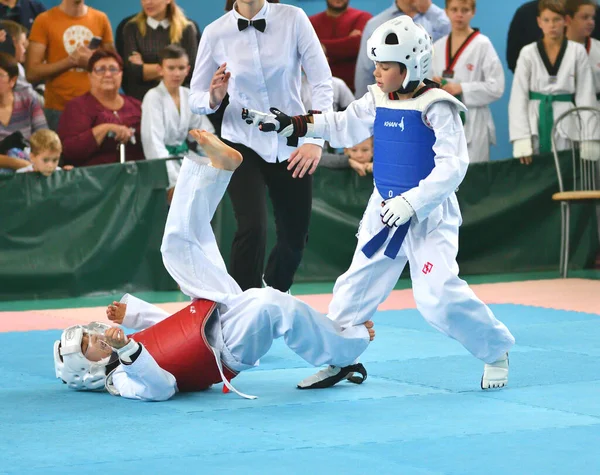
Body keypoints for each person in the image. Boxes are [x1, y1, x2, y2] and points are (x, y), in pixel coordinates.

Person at [244, 16, 515, 390]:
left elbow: (454, 166)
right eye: (377, 64)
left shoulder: (437, 106)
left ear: (410, 67)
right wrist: (295, 124)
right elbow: (342, 125)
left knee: (438, 298)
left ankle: (495, 350)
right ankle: (339, 360)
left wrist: (413, 201)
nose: (376, 71)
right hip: (384, 211)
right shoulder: (376, 98)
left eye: (385, 66)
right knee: (352, 291)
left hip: (428, 216)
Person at [52, 130, 375, 401]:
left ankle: (217, 170)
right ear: (88, 371)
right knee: (272, 303)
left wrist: (134, 315)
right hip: (226, 350)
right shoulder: (120, 379)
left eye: (85, 334)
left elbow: (173, 329)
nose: (93, 338)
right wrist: (128, 351)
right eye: (86, 346)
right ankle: (347, 345)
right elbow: (162, 388)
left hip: (210, 314)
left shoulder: (132, 346)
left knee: (176, 250)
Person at [189, 0, 333, 293]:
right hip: (240, 143)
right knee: (252, 228)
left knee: (295, 236)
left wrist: (316, 139)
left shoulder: (294, 18)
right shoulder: (215, 32)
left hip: (291, 139)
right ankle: (242, 306)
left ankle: (274, 293)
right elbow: (195, 95)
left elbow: (321, 82)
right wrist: (213, 98)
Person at [509, 0, 597, 166]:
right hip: (535, 121)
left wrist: (590, 137)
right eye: (547, 20)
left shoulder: (577, 52)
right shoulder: (528, 53)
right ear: (539, 22)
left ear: (566, 21)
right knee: (536, 174)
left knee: (567, 169)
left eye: (556, 20)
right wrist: (521, 139)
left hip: (568, 122)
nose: (552, 25)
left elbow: (586, 95)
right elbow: (518, 98)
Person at [431, 0, 504, 163]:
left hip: (474, 119)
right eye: (454, 9)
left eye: (465, 10)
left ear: (473, 12)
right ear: (446, 11)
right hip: (444, 119)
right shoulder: (437, 46)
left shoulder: (482, 44)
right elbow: (427, 82)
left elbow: (496, 87)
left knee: (473, 174)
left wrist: (461, 88)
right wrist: (434, 85)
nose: (459, 15)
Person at [25, 0, 114, 131]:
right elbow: (32, 72)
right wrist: (71, 61)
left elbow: (113, 64)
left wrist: (93, 62)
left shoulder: (101, 19)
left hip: (97, 106)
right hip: (59, 109)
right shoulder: (44, 20)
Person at [141, 45, 215, 199]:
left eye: (181, 68)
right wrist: (174, 181)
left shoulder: (189, 95)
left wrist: (216, 161)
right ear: (160, 69)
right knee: (179, 199)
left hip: (186, 158)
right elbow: (153, 144)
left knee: (215, 180)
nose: (176, 73)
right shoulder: (153, 97)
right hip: (163, 166)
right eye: (171, 68)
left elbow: (206, 134)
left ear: (188, 70)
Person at [58, 49, 144, 167]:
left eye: (113, 69)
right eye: (100, 69)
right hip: (93, 179)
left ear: (121, 74)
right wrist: (104, 129)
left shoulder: (137, 106)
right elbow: (70, 151)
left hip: (137, 177)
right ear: (90, 76)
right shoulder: (77, 107)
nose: (108, 74)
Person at [355, 0, 451, 97]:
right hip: (388, 97)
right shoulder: (375, 24)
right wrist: (366, 103)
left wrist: (430, 9)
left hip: (426, 93)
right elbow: (364, 72)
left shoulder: (435, 19)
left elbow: (456, 32)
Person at [121, 0, 198, 101]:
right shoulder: (131, 28)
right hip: (141, 99)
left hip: (177, 98)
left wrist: (145, 68)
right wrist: (176, 68)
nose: (148, 2)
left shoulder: (187, 28)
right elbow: (134, 72)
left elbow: (190, 71)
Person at [507, 0, 600, 73]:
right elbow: (514, 60)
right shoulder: (526, 13)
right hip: (539, 90)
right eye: (546, 20)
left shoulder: (591, 11)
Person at [309, 0, 372, 92]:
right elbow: (303, 50)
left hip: (355, 90)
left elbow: (356, 45)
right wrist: (346, 43)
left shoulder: (362, 17)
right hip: (318, 90)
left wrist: (318, 46)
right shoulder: (310, 22)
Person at [0, 51, 46, 174]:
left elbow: (44, 138)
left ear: (12, 80)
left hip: (31, 166)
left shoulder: (28, 100)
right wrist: (16, 163)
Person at [566, 0, 600, 100]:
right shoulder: (554, 49)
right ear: (568, 19)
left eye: (592, 18)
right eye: (585, 17)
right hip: (564, 109)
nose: (591, 22)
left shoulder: (598, 48)